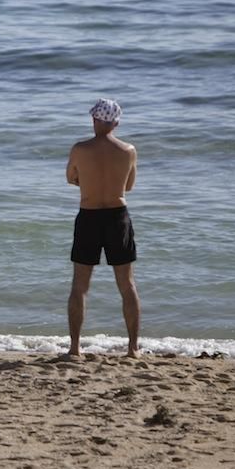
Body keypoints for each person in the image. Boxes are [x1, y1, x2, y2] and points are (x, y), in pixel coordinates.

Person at [65, 99, 141, 357]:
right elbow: (128, 187)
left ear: (94, 120)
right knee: (127, 284)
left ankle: (75, 349)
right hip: (117, 217)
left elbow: (70, 178)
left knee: (80, 285)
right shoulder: (128, 150)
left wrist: (88, 183)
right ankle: (133, 349)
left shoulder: (79, 149)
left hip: (88, 216)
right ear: (116, 122)